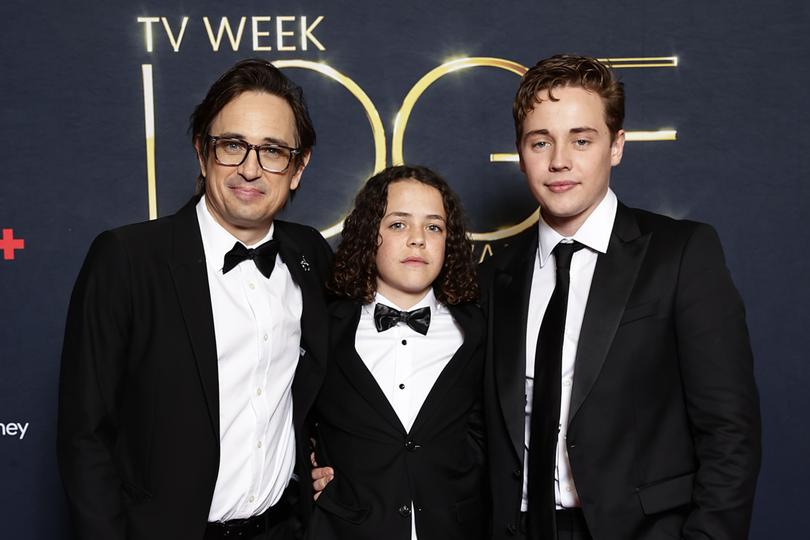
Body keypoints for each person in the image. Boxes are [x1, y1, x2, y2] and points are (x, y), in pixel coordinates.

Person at [481, 54, 761, 539]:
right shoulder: (496, 274)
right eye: (540, 141)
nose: (559, 161)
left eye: (582, 140)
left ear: (617, 146)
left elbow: (730, 432)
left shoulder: (681, 254)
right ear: (520, 152)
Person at [57, 59, 332, 540]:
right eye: (232, 146)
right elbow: (85, 436)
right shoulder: (126, 259)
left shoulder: (309, 255)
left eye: (272, 150)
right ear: (202, 152)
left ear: (298, 167)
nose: (250, 168)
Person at [306, 165, 488, 540]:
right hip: (349, 530)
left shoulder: (480, 328)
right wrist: (300, 471)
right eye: (399, 225)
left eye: (434, 227)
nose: (418, 240)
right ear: (369, 234)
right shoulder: (323, 327)